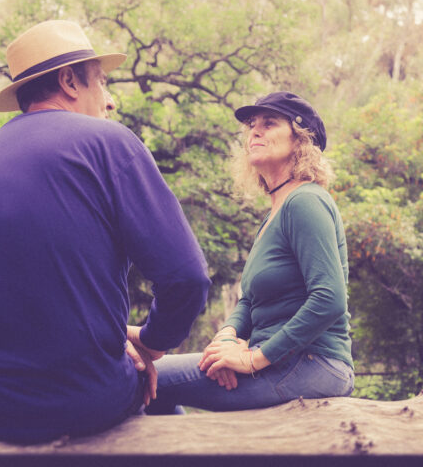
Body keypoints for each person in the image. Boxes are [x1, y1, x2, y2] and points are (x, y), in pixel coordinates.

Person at [0, 20, 211, 443]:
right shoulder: (109, 143)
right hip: (72, 402)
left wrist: (114, 337)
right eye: (102, 82)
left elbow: (6, 291)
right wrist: (152, 344)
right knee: (158, 395)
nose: (111, 101)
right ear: (69, 81)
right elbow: (187, 279)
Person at [144, 92, 353, 414]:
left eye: (269, 124)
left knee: (145, 375)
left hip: (313, 363)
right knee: (152, 381)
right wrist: (226, 339)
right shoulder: (273, 215)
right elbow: (249, 301)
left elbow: (329, 299)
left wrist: (254, 359)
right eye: (252, 125)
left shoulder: (305, 202)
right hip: (282, 360)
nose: (254, 131)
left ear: (301, 140)